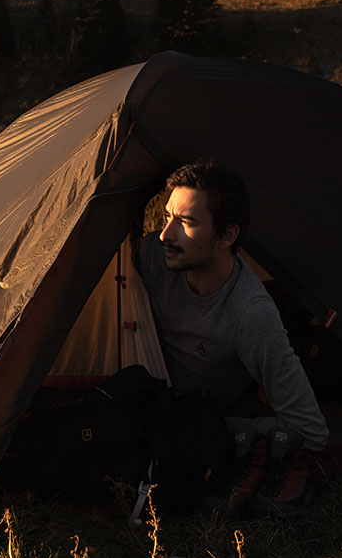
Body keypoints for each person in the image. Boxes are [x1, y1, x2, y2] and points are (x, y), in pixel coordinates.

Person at [138, 161, 329, 519]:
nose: (165, 234)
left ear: (226, 236)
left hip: (191, 416)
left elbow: (311, 429)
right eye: (167, 217)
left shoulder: (250, 314)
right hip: (145, 398)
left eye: (188, 223)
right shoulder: (152, 256)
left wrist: (225, 431)